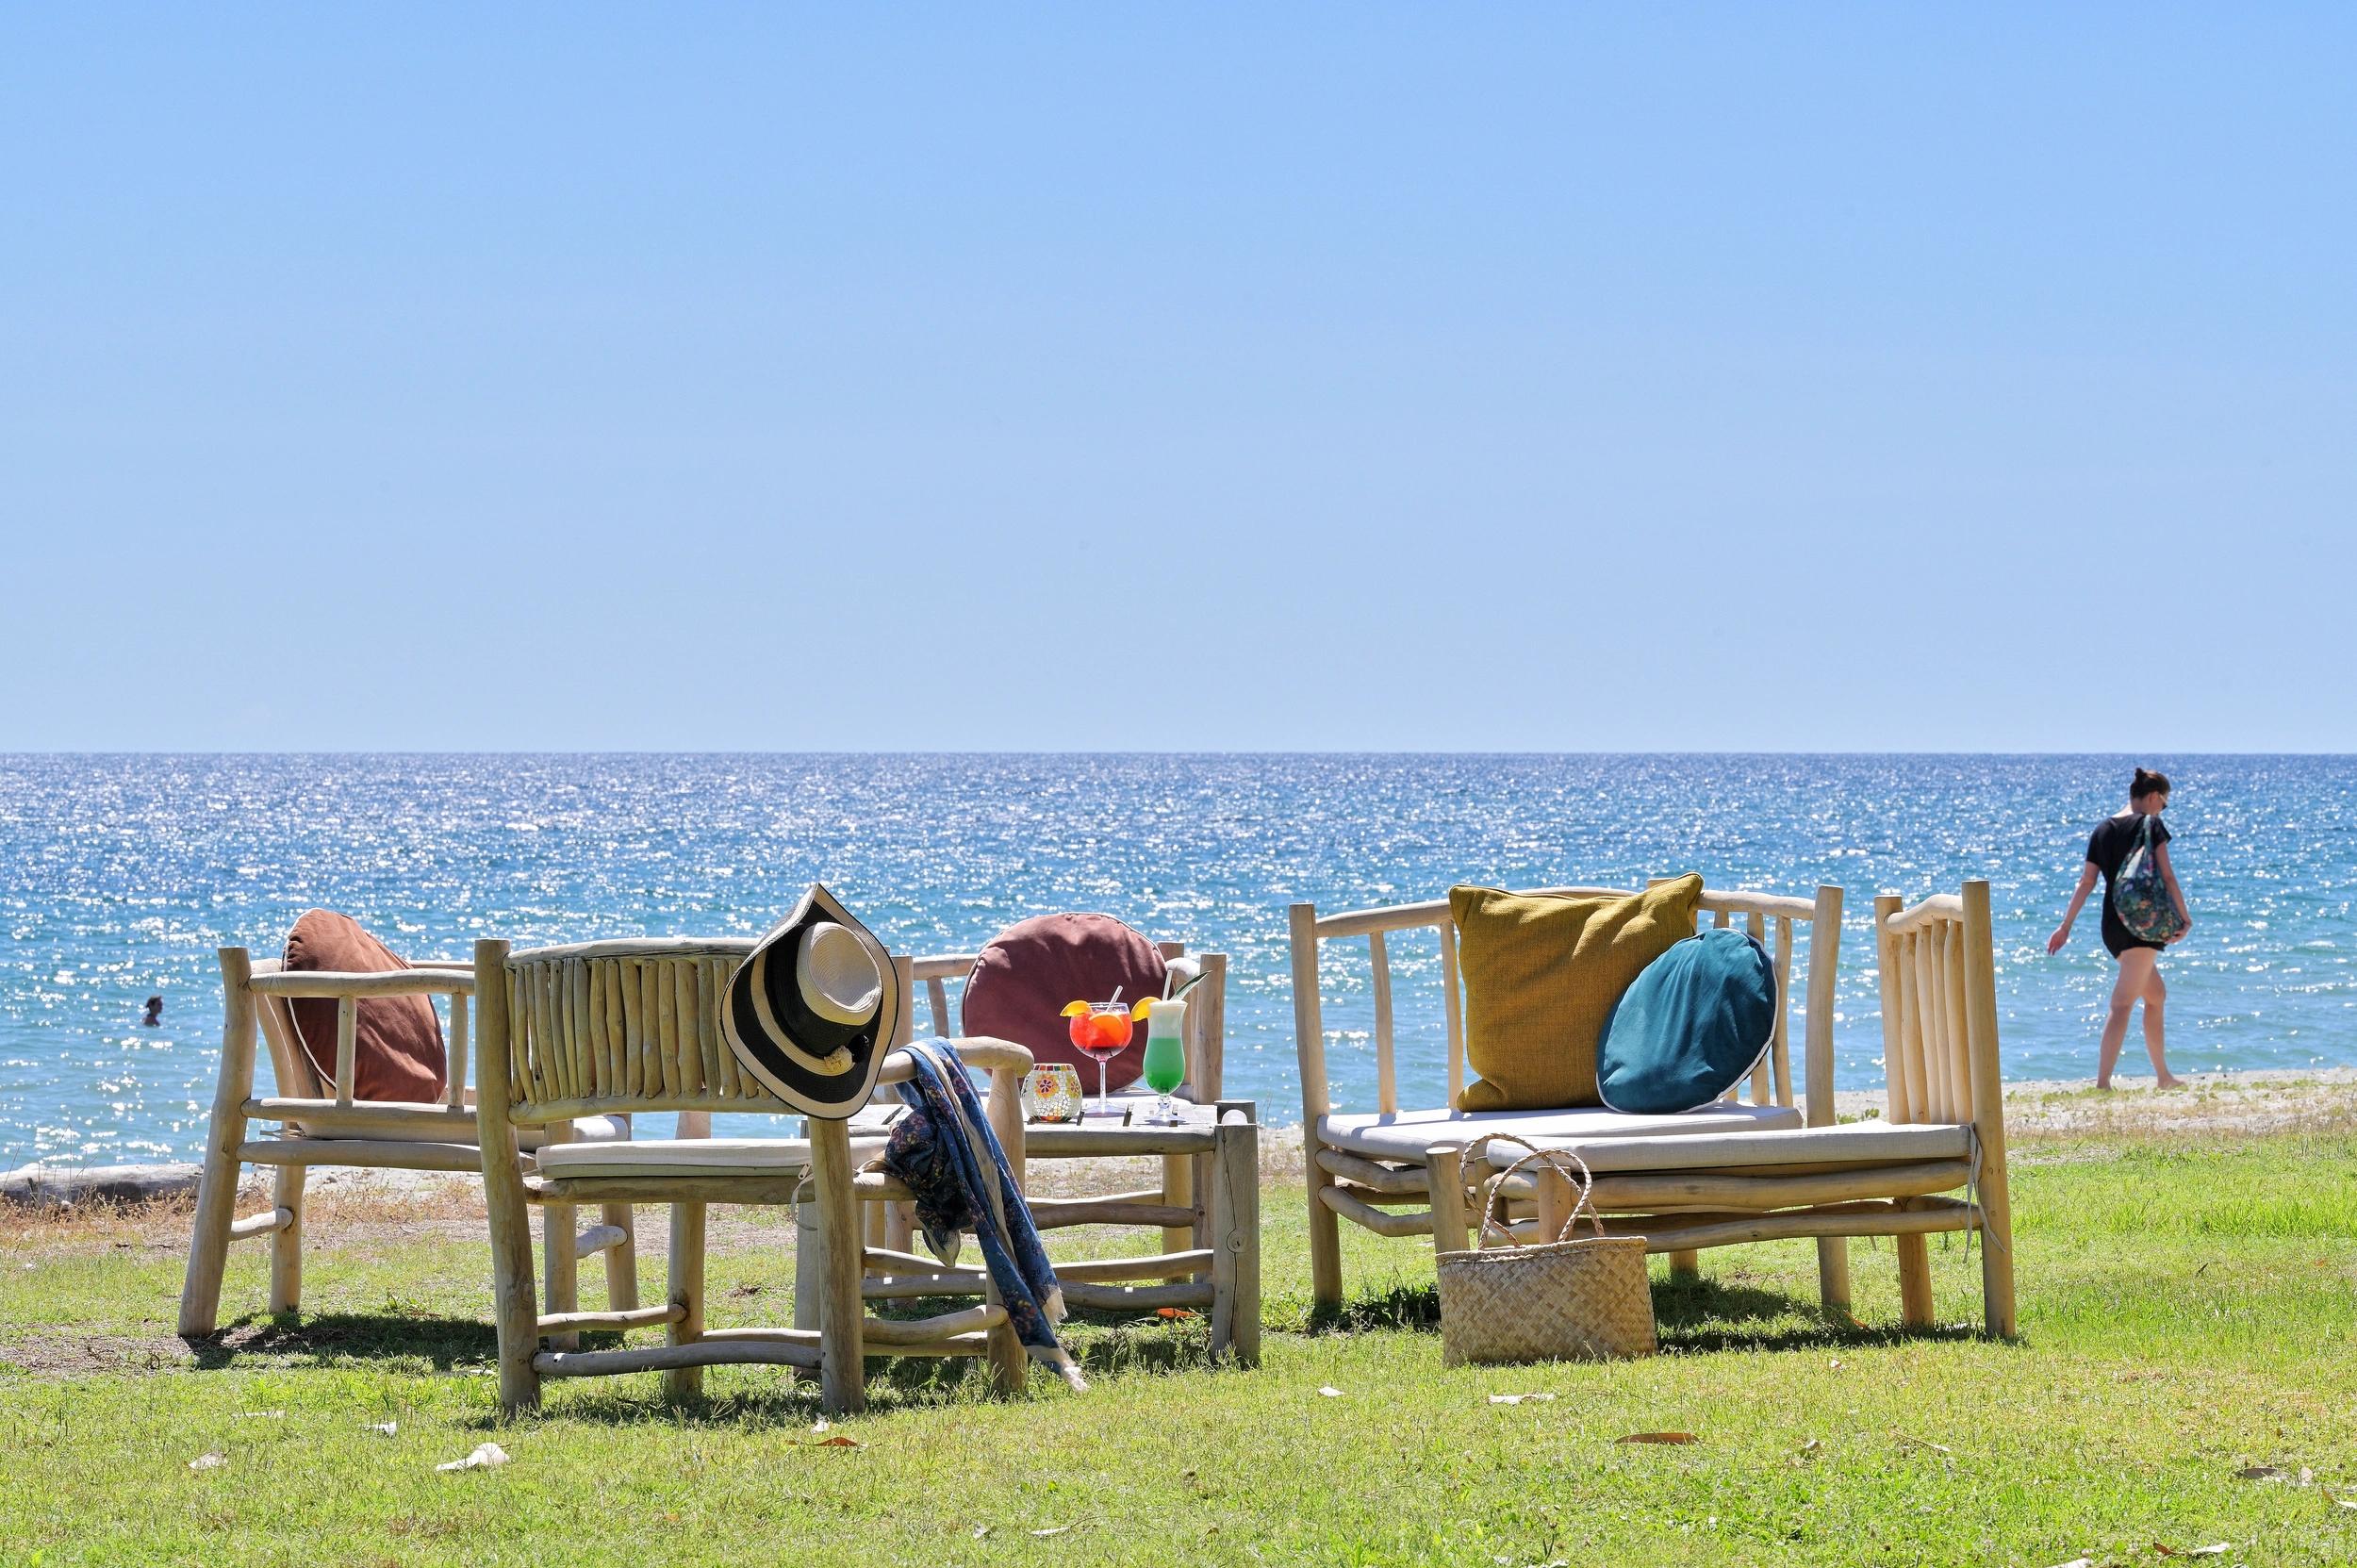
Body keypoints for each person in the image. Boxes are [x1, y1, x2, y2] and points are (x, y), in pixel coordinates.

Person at [2047, 767, 2191, 1089]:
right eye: (2164, 804)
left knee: (2156, 995)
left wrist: (2065, 925)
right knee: (2122, 1003)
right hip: (2140, 923)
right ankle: (2102, 1084)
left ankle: (2164, 1077)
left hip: (2112, 926)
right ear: (2153, 797)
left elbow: (2086, 882)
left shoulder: (2103, 830)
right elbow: (2167, 876)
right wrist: (2185, 918)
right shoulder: (2151, 825)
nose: (2162, 810)